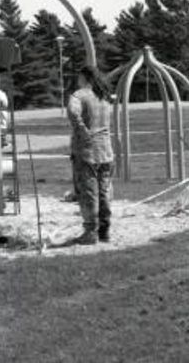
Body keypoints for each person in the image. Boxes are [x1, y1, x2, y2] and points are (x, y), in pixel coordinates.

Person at [66, 64, 114, 245]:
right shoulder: (104, 96)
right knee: (104, 191)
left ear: (83, 77)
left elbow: (72, 111)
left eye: (79, 77)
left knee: (88, 193)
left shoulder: (79, 95)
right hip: (106, 151)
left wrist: (81, 130)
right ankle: (104, 230)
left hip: (86, 152)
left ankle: (90, 232)